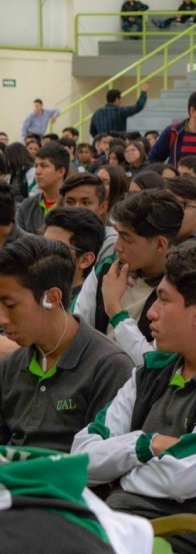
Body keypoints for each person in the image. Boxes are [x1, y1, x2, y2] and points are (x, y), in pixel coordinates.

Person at [71, 244, 196, 554]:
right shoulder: (149, 373)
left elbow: (178, 480)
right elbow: (81, 458)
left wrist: (115, 473)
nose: (151, 311)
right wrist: (148, 445)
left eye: (164, 300)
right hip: (116, 524)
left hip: (181, 537)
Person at [0, 235, 133, 452]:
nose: (1, 319)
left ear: (51, 298)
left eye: (10, 305)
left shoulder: (109, 367)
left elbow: (104, 461)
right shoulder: (11, 365)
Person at [73, 189, 184, 365]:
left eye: (127, 239)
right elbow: (75, 328)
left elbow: (153, 364)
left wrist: (115, 310)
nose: (117, 246)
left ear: (160, 244)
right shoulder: (108, 269)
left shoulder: (182, 288)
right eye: (118, 235)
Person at [43, 207, 107, 306]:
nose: (43, 253)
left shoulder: (87, 308)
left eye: (56, 247)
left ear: (85, 260)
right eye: (42, 244)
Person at [16, 141, 69, 235]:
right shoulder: (26, 206)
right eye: (36, 166)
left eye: (43, 166)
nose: (37, 172)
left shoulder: (72, 207)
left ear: (61, 172)